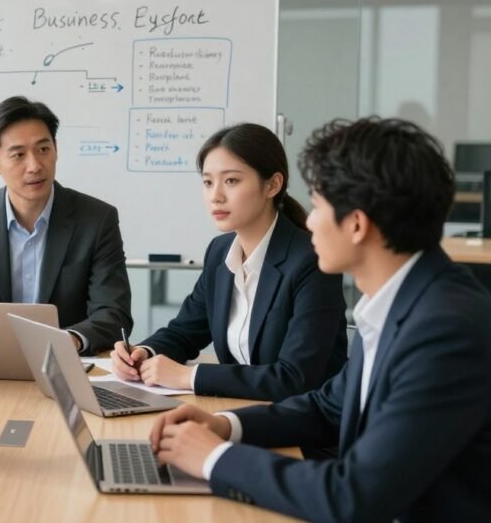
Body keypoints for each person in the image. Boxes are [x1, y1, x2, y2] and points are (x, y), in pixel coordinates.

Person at [150, 117, 491, 522]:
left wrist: (214, 459)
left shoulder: (445, 329)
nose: (311, 221)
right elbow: (327, 408)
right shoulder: (407, 301)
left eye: (318, 205)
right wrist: (224, 425)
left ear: (357, 224)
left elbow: (353, 497)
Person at [111, 123, 347, 401]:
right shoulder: (220, 252)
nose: (216, 196)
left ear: (273, 184)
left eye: (231, 181)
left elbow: (294, 378)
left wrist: (189, 376)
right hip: (240, 409)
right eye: (208, 182)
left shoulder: (311, 260)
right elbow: (184, 332)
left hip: (303, 429)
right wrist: (143, 353)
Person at [0, 96, 132, 354]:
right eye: (18, 155)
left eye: (43, 149)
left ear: (56, 149)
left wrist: (67, 341)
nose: (35, 166)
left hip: (68, 364)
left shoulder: (96, 219)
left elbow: (114, 314)